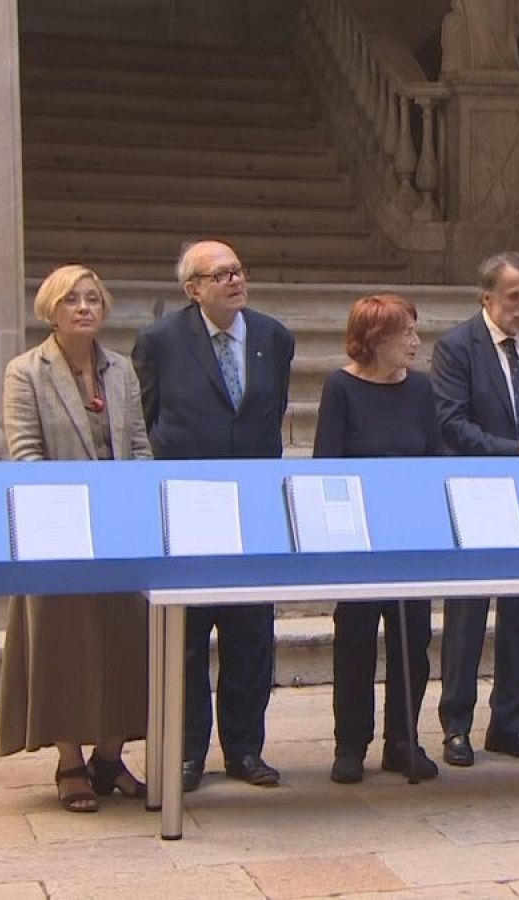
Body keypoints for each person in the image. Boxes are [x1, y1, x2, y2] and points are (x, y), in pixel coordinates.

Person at [132, 240, 295, 791]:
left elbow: (271, 414)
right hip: (190, 505)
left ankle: (246, 750)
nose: (233, 281)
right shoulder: (160, 342)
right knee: (189, 635)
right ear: (192, 288)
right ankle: (186, 753)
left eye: (238, 270)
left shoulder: (273, 338)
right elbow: (149, 421)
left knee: (251, 633)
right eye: (219, 274)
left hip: (252, 506)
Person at [0, 265, 152, 812]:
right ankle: (70, 761)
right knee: (63, 642)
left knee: (126, 636)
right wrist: (72, 506)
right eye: (72, 300)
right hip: (57, 527)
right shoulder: (26, 371)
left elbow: (138, 445)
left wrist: (134, 497)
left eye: (92, 299)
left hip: (119, 527)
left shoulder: (122, 369)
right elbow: (24, 453)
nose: (84, 308)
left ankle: (110, 756)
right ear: (51, 310)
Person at [431, 250, 519, 767]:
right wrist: (514, 451)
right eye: (515, 297)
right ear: (488, 298)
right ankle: (456, 726)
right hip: (479, 493)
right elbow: (451, 423)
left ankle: (510, 722)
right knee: (467, 616)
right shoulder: (457, 347)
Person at [315, 295, 441, 784]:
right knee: (355, 640)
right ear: (373, 341)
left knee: (413, 640)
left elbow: (433, 458)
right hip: (359, 538)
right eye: (404, 334)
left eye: (414, 331)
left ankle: (403, 739)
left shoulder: (422, 389)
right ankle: (350, 743)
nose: (414, 342)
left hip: (410, 537)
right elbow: (328, 464)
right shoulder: (341, 387)